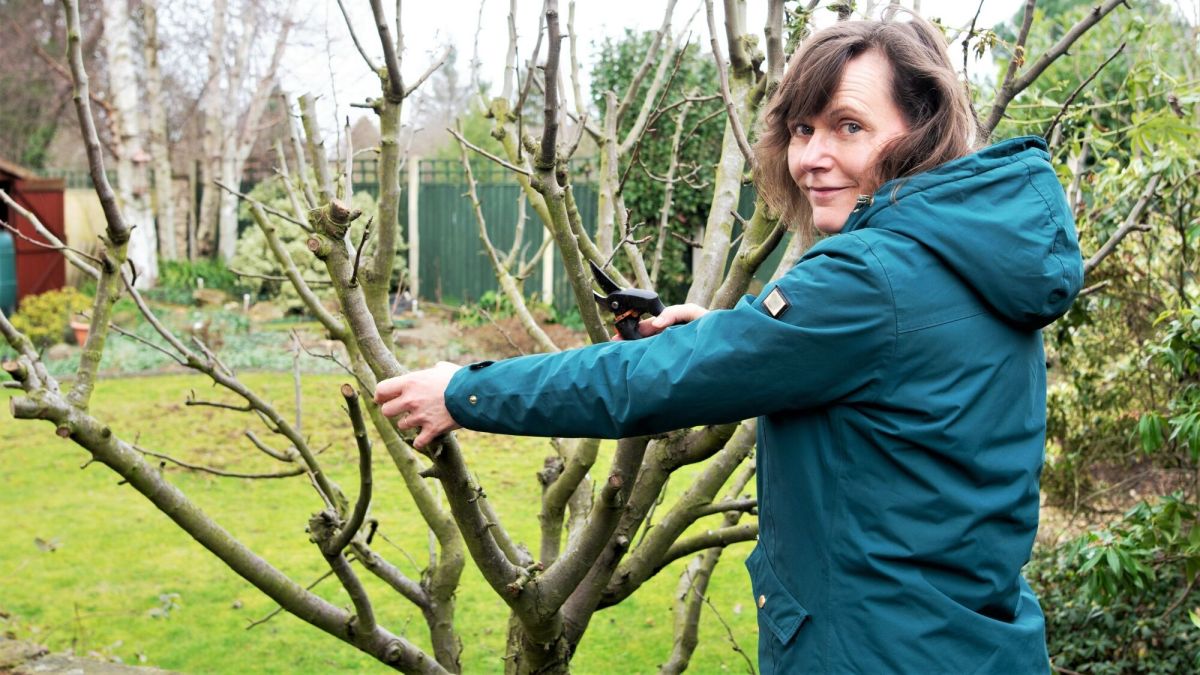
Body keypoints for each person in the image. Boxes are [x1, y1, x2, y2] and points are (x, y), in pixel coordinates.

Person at [375, 13, 1082, 674]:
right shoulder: (975, 261)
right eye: (802, 130)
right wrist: (720, 335)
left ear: (922, 130)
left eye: (848, 126)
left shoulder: (871, 277)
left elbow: (643, 382)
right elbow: (873, 373)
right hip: (972, 639)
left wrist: (465, 390)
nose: (813, 157)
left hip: (873, 650)